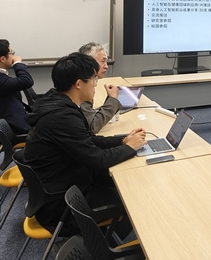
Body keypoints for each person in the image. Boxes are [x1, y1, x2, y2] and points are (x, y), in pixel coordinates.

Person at [23, 52, 147, 235]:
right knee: (133, 203)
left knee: (122, 182)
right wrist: (129, 147)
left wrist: (122, 139)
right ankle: (99, 245)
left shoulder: (58, 102)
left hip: (60, 183)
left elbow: (89, 140)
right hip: (63, 205)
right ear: (79, 84)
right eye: (93, 79)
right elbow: (97, 160)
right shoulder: (63, 117)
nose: (96, 84)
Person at [78, 42, 122, 133]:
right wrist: (113, 100)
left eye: (106, 62)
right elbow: (93, 126)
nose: (106, 66)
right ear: (89, 62)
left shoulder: (81, 79)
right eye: (102, 61)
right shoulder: (81, 85)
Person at [0, 39, 33, 134]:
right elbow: (26, 81)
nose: (14, 56)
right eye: (11, 53)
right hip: (15, 127)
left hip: (17, 120)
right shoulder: (1, 80)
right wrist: (17, 63)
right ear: (2, 59)